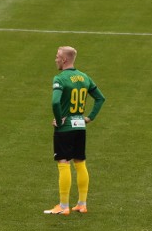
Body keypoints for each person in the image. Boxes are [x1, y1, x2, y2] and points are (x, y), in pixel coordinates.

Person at [44, 46, 106, 215]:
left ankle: (63, 206)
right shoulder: (84, 77)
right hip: (80, 125)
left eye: (57, 56)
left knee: (63, 162)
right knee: (80, 162)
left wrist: (58, 119)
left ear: (64, 59)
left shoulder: (60, 78)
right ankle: (82, 203)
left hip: (65, 128)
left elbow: (56, 103)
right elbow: (100, 98)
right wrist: (90, 117)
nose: (55, 59)